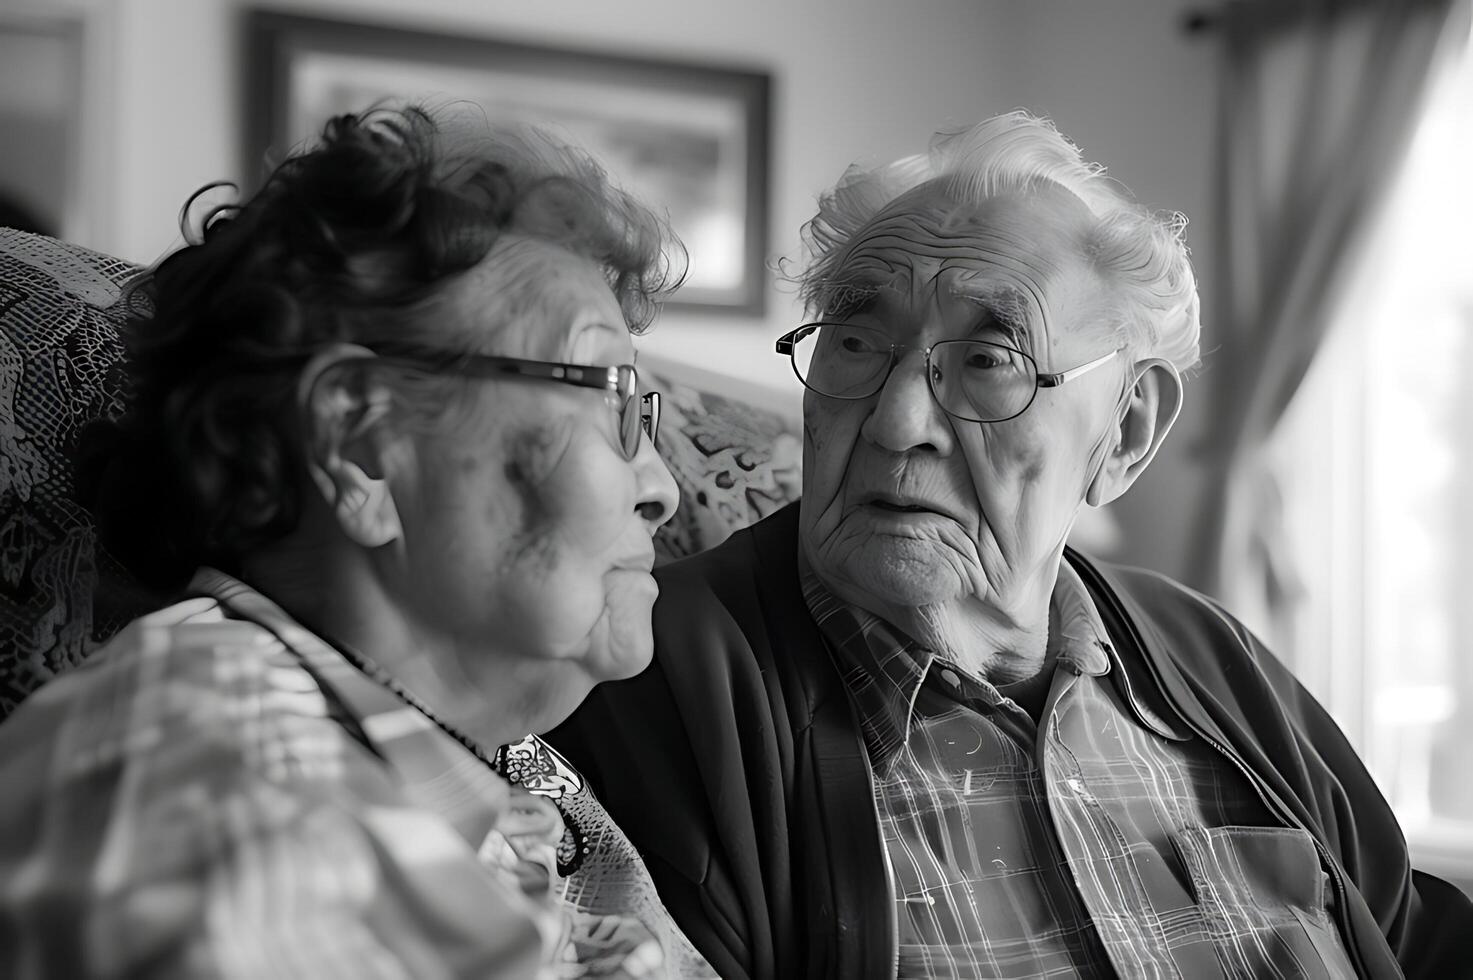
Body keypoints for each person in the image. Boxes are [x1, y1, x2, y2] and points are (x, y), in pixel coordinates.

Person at [551, 111, 1473, 979]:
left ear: (1124, 432)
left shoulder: (1209, 658)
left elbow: (1407, 936)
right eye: (855, 343)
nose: (896, 421)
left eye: (989, 361)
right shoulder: (655, 674)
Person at [0, 105, 716, 979]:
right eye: (610, 403)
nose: (661, 488)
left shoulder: (485, 765)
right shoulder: (216, 785)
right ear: (362, 446)